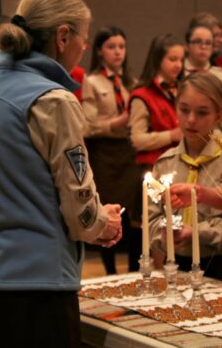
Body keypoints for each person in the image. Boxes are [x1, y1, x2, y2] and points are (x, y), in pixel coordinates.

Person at [0, 0, 122, 348]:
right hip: (35, 287)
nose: (85, 46)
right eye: (85, 36)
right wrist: (102, 222)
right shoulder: (53, 100)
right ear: (63, 36)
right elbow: (79, 206)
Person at [149, 72, 222, 283]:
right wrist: (164, 235)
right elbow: (151, 216)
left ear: (218, 115)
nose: (190, 120)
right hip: (178, 261)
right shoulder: (165, 163)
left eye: (202, 113)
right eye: (184, 110)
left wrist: (197, 233)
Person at [83, 26, 139, 275]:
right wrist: (118, 122)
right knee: (108, 209)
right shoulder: (91, 81)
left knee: (132, 212)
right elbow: (87, 125)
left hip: (127, 152)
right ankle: (110, 271)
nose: (118, 52)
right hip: (104, 153)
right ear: (99, 51)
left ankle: (134, 269)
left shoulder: (132, 82)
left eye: (122, 47)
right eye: (111, 47)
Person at [127, 33, 184, 271]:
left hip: (178, 171)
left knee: (176, 236)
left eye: (181, 59)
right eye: (172, 59)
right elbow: (137, 139)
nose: (178, 65)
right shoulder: (142, 95)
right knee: (155, 238)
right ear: (158, 59)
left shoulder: (182, 89)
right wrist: (171, 135)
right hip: (152, 173)